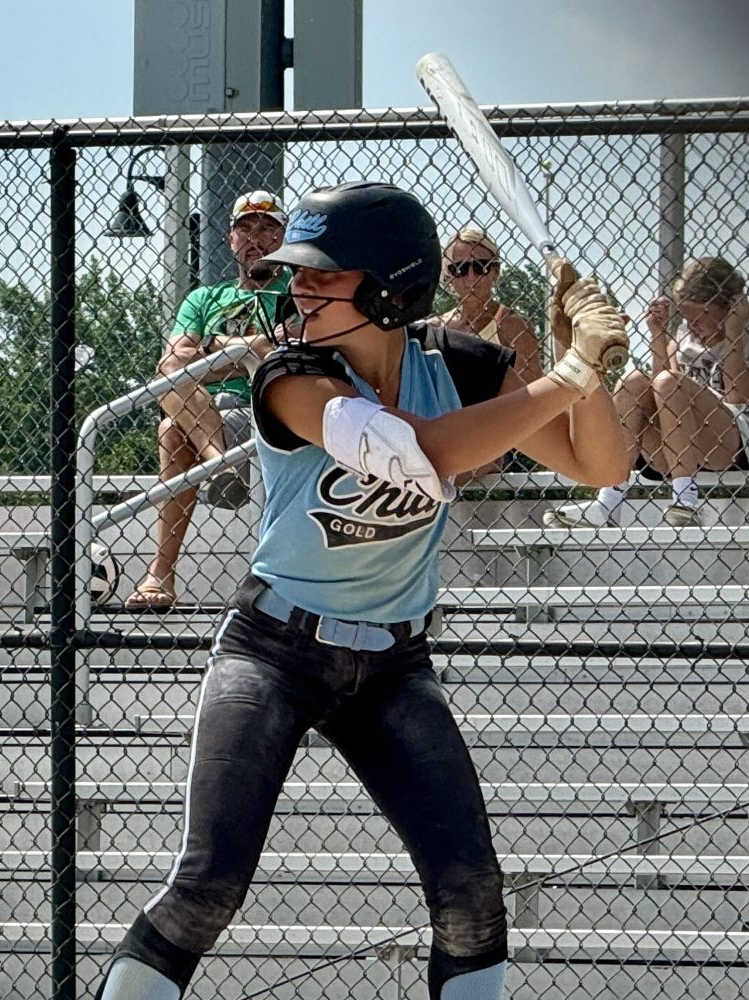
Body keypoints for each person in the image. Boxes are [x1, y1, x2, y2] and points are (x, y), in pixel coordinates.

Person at [95, 182, 629, 1000]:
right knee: (210, 885)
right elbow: (414, 452)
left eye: (322, 275)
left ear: (388, 289)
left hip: (393, 667)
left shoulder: (459, 365)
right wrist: (568, 375)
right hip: (274, 652)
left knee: (472, 895)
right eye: (297, 273)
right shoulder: (291, 374)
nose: (298, 289)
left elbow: (601, 465)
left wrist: (587, 374)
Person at [124, 190, 290, 611]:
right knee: (171, 406)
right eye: (245, 229)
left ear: (284, 238)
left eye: (268, 229)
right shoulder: (204, 299)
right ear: (231, 240)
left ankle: (161, 572)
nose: (256, 239)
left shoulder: (299, 292)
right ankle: (220, 465)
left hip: (270, 410)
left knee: (171, 427)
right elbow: (172, 363)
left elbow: (280, 357)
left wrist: (211, 355)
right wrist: (245, 349)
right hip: (206, 413)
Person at [545, 257, 749, 528]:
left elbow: (736, 396)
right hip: (678, 446)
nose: (694, 326)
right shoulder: (685, 337)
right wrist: (657, 334)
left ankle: (686, 499)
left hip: (730, 442)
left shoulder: (743, 334)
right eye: (688, 319)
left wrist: (734, 332)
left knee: (669, 382)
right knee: (634, 381)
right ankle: (608, 502)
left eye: (700, 317)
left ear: (731, 306)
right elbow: (661, 391)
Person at [428, 227, 543, 479]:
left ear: (495, 272)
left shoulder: (512, 326)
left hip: (497, 436)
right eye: (459, 269)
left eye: (480, 266)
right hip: (444, 431)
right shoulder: (435, 329)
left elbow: (533, 396)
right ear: (447, 276)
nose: (470, 277)